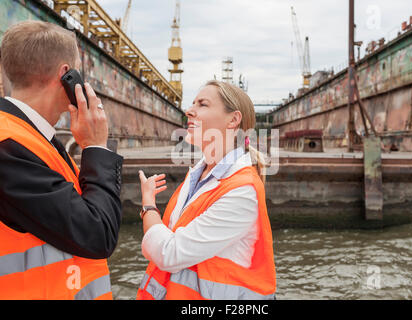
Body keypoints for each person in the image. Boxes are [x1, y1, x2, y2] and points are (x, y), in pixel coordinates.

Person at [0, 21, 123, 299]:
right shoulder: (8, 147)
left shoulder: (29, 139)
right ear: (67, 75)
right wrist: (96, 148)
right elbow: (97, 233)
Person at [136, 80, 276, 300]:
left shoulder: (242, 191)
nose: (189, 111)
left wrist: (148, 206)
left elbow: (169, 253)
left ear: (233, 120)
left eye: (202, 104)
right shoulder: (197, 175)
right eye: (193, 104)